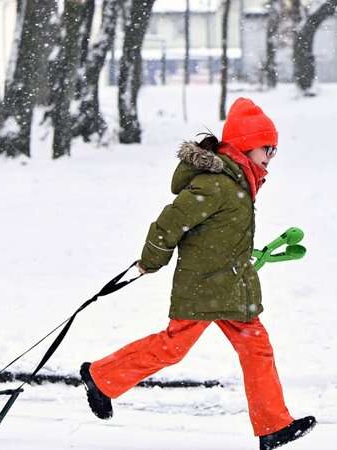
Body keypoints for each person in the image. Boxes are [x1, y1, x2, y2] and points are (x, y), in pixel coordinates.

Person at [79, 98, 316, 450]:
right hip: (203, 287)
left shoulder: (239, 182)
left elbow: (218, 232)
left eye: (274, 150)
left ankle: (273, 426)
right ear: (246, 145)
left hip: (230, 285)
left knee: (257, 350)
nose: (270, 156)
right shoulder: (218, 184)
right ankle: (100, 376)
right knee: (173, 347)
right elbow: (170, 222)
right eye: (267, 148)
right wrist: (150, 261)